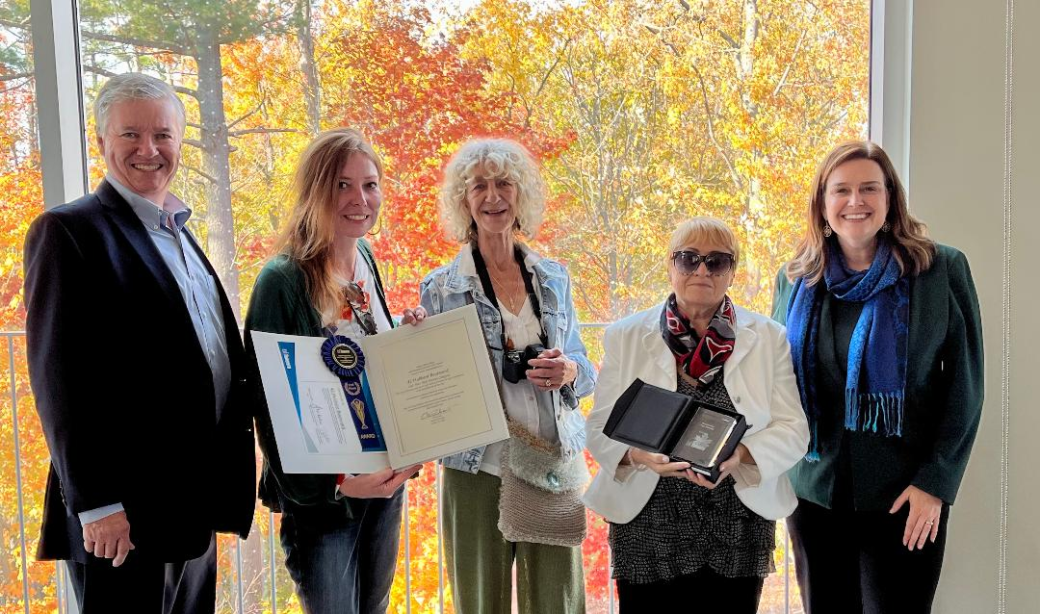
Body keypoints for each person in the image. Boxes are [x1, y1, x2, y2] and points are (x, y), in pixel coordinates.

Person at [22, 73, 256, 614]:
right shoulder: (69, 232)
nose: (149, 150)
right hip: (123, 520)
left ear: (180, 140)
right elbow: (59, 381)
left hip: (191, 508)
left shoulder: (179, 232)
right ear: (101, 140)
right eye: (130, 135)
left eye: (163, 135)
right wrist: (96, 504)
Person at [772, 141, 984, 614]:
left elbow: (965, 386)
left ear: (890, 198)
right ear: (822, 204)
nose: (855, 201)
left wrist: (936, 483)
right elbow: (775, 383)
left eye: (869, 188)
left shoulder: (940, 269)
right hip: (813, 494)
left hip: (906, 496)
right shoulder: (796, 277)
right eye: (840, 190)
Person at [584, 217, 809, 612]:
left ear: (732, 272)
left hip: (736, 518)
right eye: (688, 259)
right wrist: (639, 457)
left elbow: (794, 429)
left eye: (717, 261)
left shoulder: (768, 337)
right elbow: (600, 427)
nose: (702, 270)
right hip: (649, 519)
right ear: (670, 265)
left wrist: (741, 456)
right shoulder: (626, 334)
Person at [244, 128, 424, 614]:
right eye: (342, 185)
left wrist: (407, 336)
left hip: (385, 482)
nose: (359, 199)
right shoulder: (281, 280)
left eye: (370, 185)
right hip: (326, 501)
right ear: (315, 192)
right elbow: (269, 407)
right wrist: (337, 484)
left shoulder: (363, 257)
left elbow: (366, 360)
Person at [419, 138, 596, 613]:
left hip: (550, 459)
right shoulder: (440, 288)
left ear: (522, 196)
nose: (493, 196)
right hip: (476, 463)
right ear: (464, 200)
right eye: (479, 186)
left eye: (504, 184)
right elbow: (428, 379)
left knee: (559, 601)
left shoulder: (553, 278)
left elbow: (587, 370)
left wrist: (569, 370)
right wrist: (413, 338)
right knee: (480, 602)